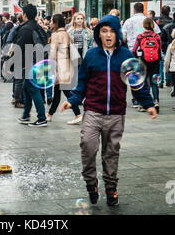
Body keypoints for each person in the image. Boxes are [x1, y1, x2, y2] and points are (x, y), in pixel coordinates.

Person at [60, 14, 157, 206]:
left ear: (118, 33)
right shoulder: (91, 56)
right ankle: (91, 183)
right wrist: (73, 100)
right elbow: (82, 83)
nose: (108, 35)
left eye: (112, 31)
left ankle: (111, 187)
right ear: (98, 34)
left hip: (116, 113)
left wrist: (148, 104)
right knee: (88, 147)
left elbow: (137, 84)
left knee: (111, 153)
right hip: (93, 111)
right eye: (104, 31)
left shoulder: (126, 56)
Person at [15, 4, 48, 127]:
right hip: (41, 61)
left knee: (34, 90)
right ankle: (26, 115)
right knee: (26, 88)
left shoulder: (25, 29)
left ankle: (41, 118)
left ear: (25, 15)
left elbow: (20, 47)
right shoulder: (39, 27)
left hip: (31, 63)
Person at [45, 14, 82, 124]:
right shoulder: (66, 34)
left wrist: (50, 67)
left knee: (67, 92)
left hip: (59, 67)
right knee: (57, 94)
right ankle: (49, 114)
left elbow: (52, 54)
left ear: (56, 23)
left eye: (52, 21)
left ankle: (78, 114)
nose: (50, 23)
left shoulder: (56, 35)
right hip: (66, 66)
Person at [132, 18, 162, 112]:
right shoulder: (156, 36)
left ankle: (143, 104)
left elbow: (134, 50)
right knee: (154, 82)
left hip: (144, 61)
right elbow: (160, 49)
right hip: (155, 62)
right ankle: (156, 101)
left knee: (144, 83)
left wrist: (137, 57)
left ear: (144, 25)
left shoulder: (140, 37)